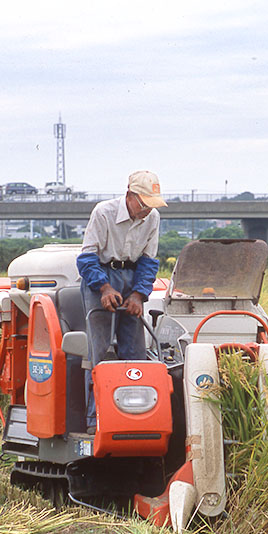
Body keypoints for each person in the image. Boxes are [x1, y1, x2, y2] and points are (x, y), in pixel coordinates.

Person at [76, 170, 166, 432]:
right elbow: (87, 257)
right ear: (130, 196)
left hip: (133, 277)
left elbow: (149, 261)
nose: (148, 211)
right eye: (144, 204)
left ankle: (135, 417)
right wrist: (103, 288)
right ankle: (96, 420)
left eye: (152, 205)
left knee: (136, 352)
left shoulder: (153, 218)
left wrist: (138, 295)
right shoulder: (103, 213)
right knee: (99, 352)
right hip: (101, 276)